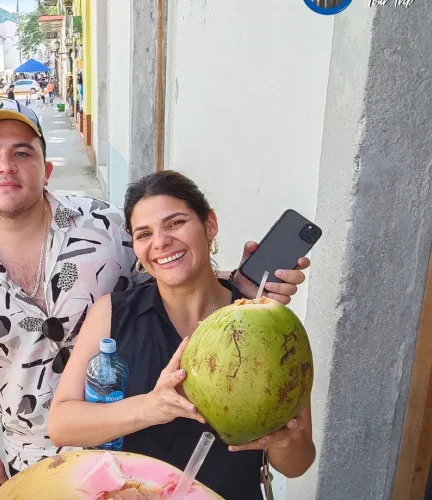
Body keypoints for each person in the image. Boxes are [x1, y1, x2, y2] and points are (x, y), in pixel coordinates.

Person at [0, 98, 310, 495]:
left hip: (120, 460)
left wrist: (239, 289)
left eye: (22, 152)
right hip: (34, 458)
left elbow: (168, 263)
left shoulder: (104, 227)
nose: (6, 165)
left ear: (46, 169)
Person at [48, 171, 315, 500]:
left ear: (210, 225)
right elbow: (61, 423)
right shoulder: (114, 313)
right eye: (144, 233)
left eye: (175, 223)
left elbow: (298, 464)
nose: (160, 242)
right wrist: (151, 407)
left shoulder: (267, 328)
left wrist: (285, 441)